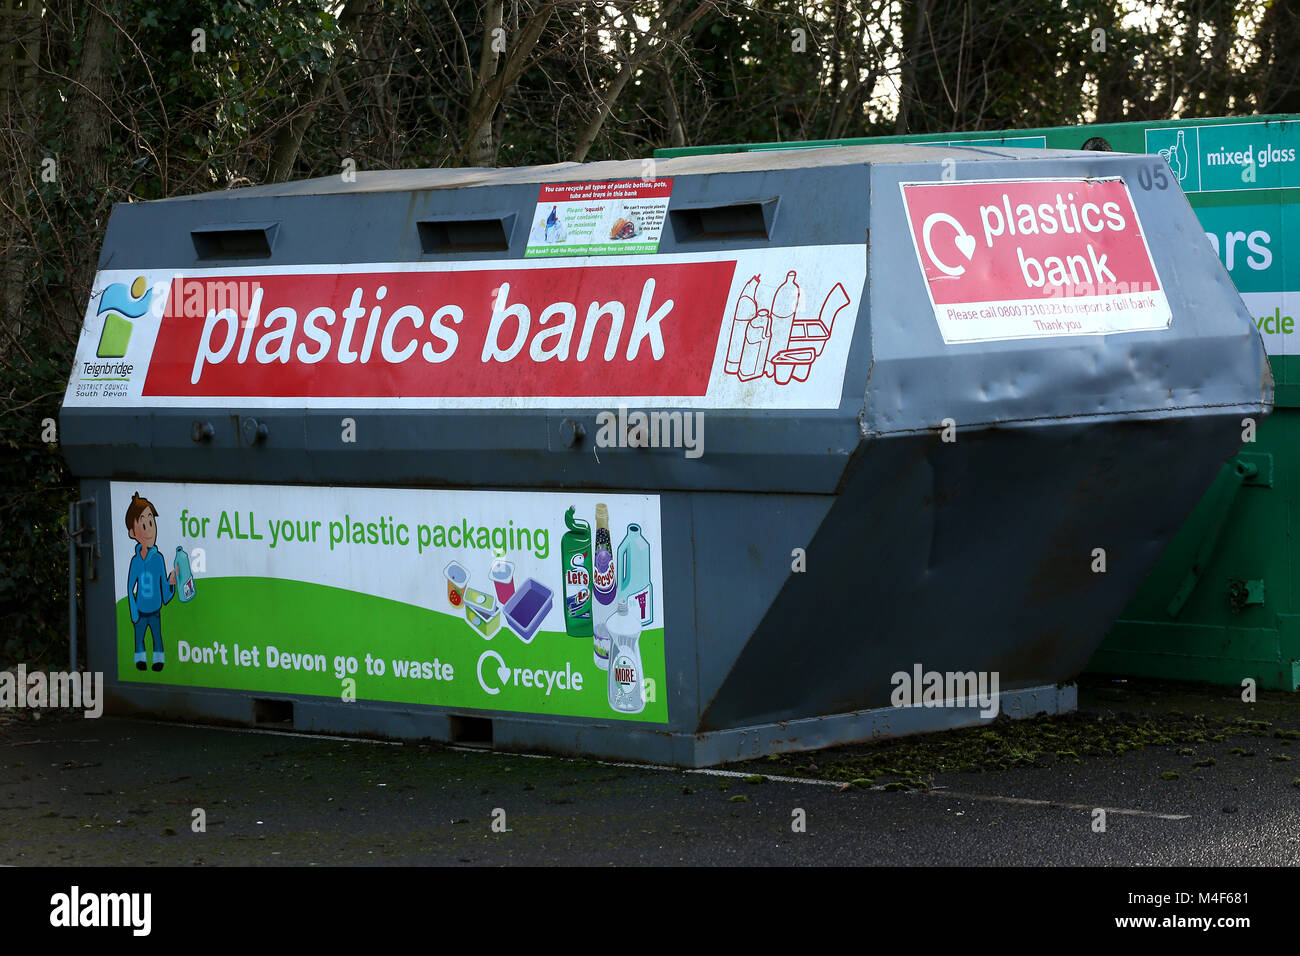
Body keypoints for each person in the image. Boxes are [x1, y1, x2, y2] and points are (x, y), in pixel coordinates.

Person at [125, 493, 176, 671]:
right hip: (139, 610)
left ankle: (158, 660)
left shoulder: (158, 559)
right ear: (133, 533)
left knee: (157, 637)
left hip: (155, 610)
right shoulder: (135, 561)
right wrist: (133, 613)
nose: (149, 530)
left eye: (151, 523)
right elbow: (130, 587)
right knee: (139, 638)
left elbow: (165, 589)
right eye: (144, 524)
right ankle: (140, 659)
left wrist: (172, 583)